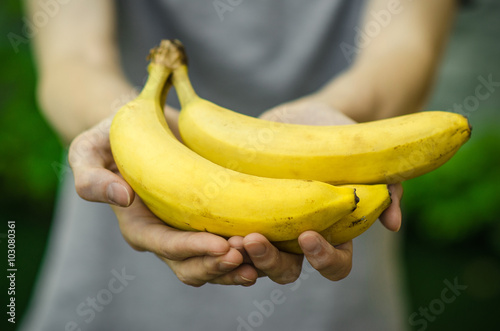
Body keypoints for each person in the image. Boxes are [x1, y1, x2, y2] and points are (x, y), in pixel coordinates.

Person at [20, 0, 459, 330]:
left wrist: (340, 132)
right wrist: (120, 125)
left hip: (333, 251)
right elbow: (72, 58)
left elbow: (407, 44)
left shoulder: (334, 199)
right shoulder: (140, 131)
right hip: (126, 224)